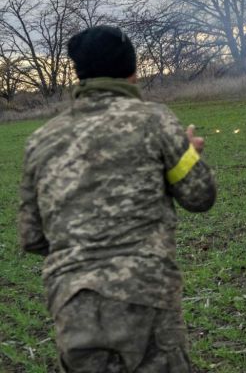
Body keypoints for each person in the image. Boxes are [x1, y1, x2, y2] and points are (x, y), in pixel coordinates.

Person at [18, 25, 218, 372]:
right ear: (133, 72)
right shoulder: (154, 121)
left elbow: (33, 238)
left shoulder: (41, 140)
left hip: (72, 304)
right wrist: (189, 154)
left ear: (78, 74)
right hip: (146, 296)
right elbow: (200, 196)